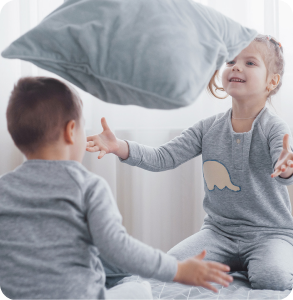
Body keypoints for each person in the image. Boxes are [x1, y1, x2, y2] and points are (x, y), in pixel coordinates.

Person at [86, 34, 293, 291]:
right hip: (219, 233)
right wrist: (121, 147)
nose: (236, 66)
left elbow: (284, 163)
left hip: (269, 235)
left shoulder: (275, 128)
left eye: (250, 63)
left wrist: (285, 167)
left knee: (273, 279)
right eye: (230, 61)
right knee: (170, 270)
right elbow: (163, 157)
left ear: (271, 81)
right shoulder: (207, 128)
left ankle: (261, 261)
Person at [0, 77, 233, 300]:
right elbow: (118, 248)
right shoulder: (87, 187)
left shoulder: (4, 188)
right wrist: (178, 269)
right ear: (71, 131)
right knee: (138, 287)